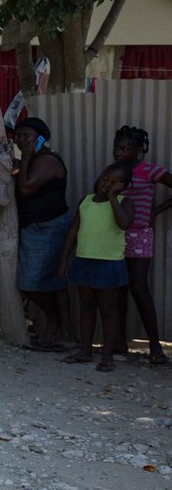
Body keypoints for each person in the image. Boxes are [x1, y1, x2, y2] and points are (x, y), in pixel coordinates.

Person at [59, 162, 135, 372]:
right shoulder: (86, 201)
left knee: (109, 310)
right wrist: (64, 259)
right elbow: (74, 231)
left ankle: (107, 355)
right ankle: (85, 350)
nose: (106, 184)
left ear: (123, 186)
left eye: (113, 183)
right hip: (84, 260)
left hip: (109, 264)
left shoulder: (125, 202)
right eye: (104, 179)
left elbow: (124, 224)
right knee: (86, 306)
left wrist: (112, 198)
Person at [110, 125, 171, 364]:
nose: (119, 152)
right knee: (117, 289)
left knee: (138, 287)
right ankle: (118, 342)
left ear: (138, 150)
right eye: (117, 147)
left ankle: (155, 346)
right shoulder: (114, 172)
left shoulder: (149, 171)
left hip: (139, 235)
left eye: (125, 148)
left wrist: (155, 211)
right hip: (114, 234)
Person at [14, 117, 74, 350]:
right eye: (18, 136)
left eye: (26, 135)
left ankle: (59, 327)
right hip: (35, 228)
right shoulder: (32, 160)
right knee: (51, 284)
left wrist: (26, 158)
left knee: (34, 283)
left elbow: (27, 187)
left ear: (40, 138)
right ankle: (61, 331)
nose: (20, 140)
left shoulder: (47, 160)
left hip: (50, 228)